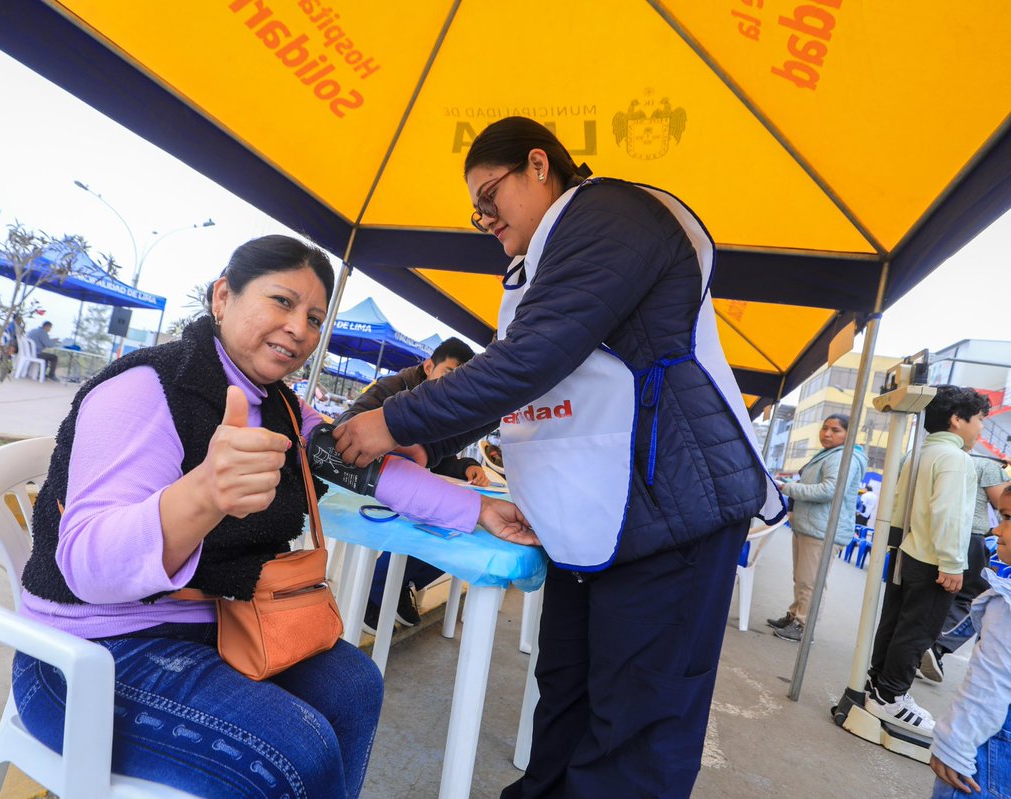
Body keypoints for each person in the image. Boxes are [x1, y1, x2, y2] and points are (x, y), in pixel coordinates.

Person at [332, 116, 783, 798]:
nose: (484, 217)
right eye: (475, 208)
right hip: (595, 515)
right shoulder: (540, 264)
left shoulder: (612, 217)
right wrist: (429, 443)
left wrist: (393, 422)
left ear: (539, 166)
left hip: (671, 508)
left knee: (636, 725)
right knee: (566, 689)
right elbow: (522, 383)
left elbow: (530, 361)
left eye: (490, 195)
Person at [12, 235, 537, 798]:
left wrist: (481, 508)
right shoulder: (145, 387)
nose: (299, 329)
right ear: (223, 297)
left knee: (356, 684)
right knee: (299, 749)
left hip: (217, 625)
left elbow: (371, 469)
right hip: (89, 656)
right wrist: (203, 494)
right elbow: (89, 569)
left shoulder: (283, 405)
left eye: (313, 318)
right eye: (282, 301)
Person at [335, 336, 490, 632]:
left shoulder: (449, 405)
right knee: (430, 516)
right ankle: (376, 591)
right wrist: (393, 440)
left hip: (407, 486)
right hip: (364, 483)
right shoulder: (392, 388)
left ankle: (401, 582)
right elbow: (347, 425)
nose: (453, 385)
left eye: (461, 380)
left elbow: (436, 458)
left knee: (462, 526)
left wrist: (466, 465)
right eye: (449, 374)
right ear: (429, 366)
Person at [866, 385, 990, 736]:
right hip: (935, 559)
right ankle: (891, 696)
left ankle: (878, 685)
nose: (981, 428)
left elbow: (898, 504)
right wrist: (951, 563)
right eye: (979, 419)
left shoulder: (918, 453)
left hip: (908, 551)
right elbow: (949, 514)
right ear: (957, 419)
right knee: (918, 631)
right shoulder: (956, 459)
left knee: (895, 623)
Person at [928, 486, 1011, 798]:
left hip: (986, 756)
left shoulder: (1006, 606)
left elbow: (990, 683)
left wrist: (953, 745)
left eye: (1007, 518)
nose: (996, 529)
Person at [767, 414, 866, 642]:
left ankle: (804, 626)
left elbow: (828, 490)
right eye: (824, 428)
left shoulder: (844, 457)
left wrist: (787, 488)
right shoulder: (829, 454)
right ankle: (794, 615)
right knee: (801, 578)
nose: (827, 434)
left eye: (835, 430)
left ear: (849, 434)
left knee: (811, 581)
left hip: (823, 530)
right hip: (810, 526)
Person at [922, 453, 1010, 681]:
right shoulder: (989, 467)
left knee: (937, 593)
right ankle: (938, 644)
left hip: (932, 533)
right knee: (975, 596)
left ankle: (919, 646)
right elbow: (1003, 501)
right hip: (969, 536)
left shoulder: (936, 457)